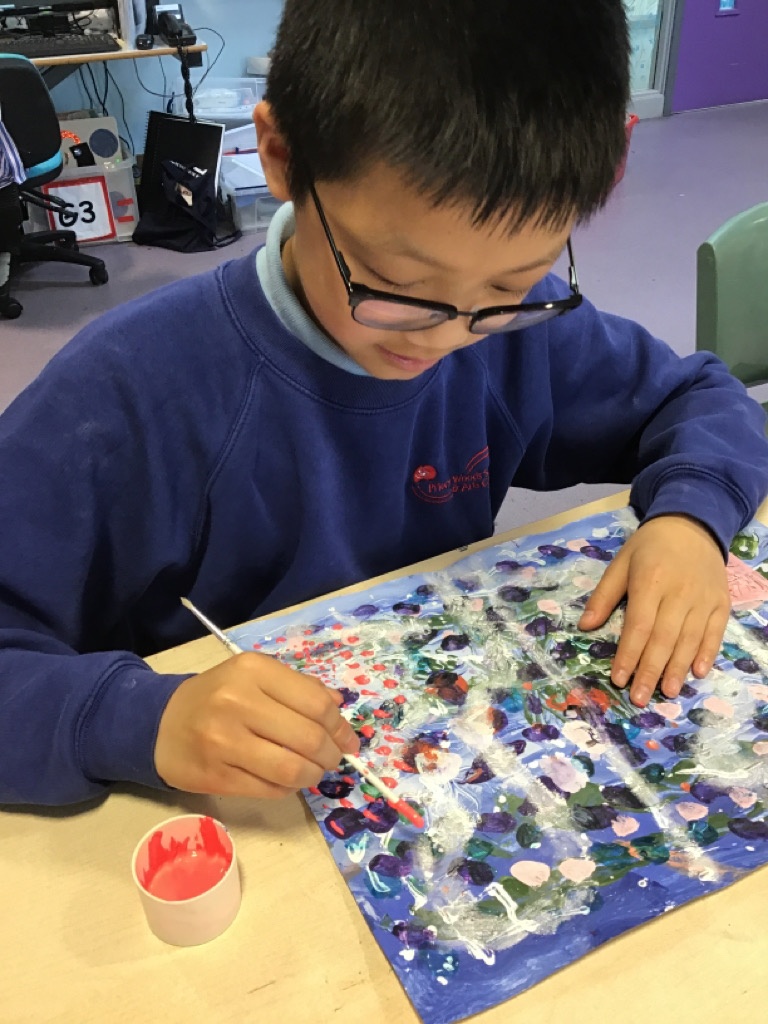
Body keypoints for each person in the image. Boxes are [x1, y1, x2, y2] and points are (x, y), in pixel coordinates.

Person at [1, 0, 766, 808]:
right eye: (398, 286)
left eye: (509, 286)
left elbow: (701, 400)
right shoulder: (129, 392)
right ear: (282, 157)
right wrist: (142, 719)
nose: (448, 334)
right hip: (225, 815)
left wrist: (689, 522)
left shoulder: (513, 335)